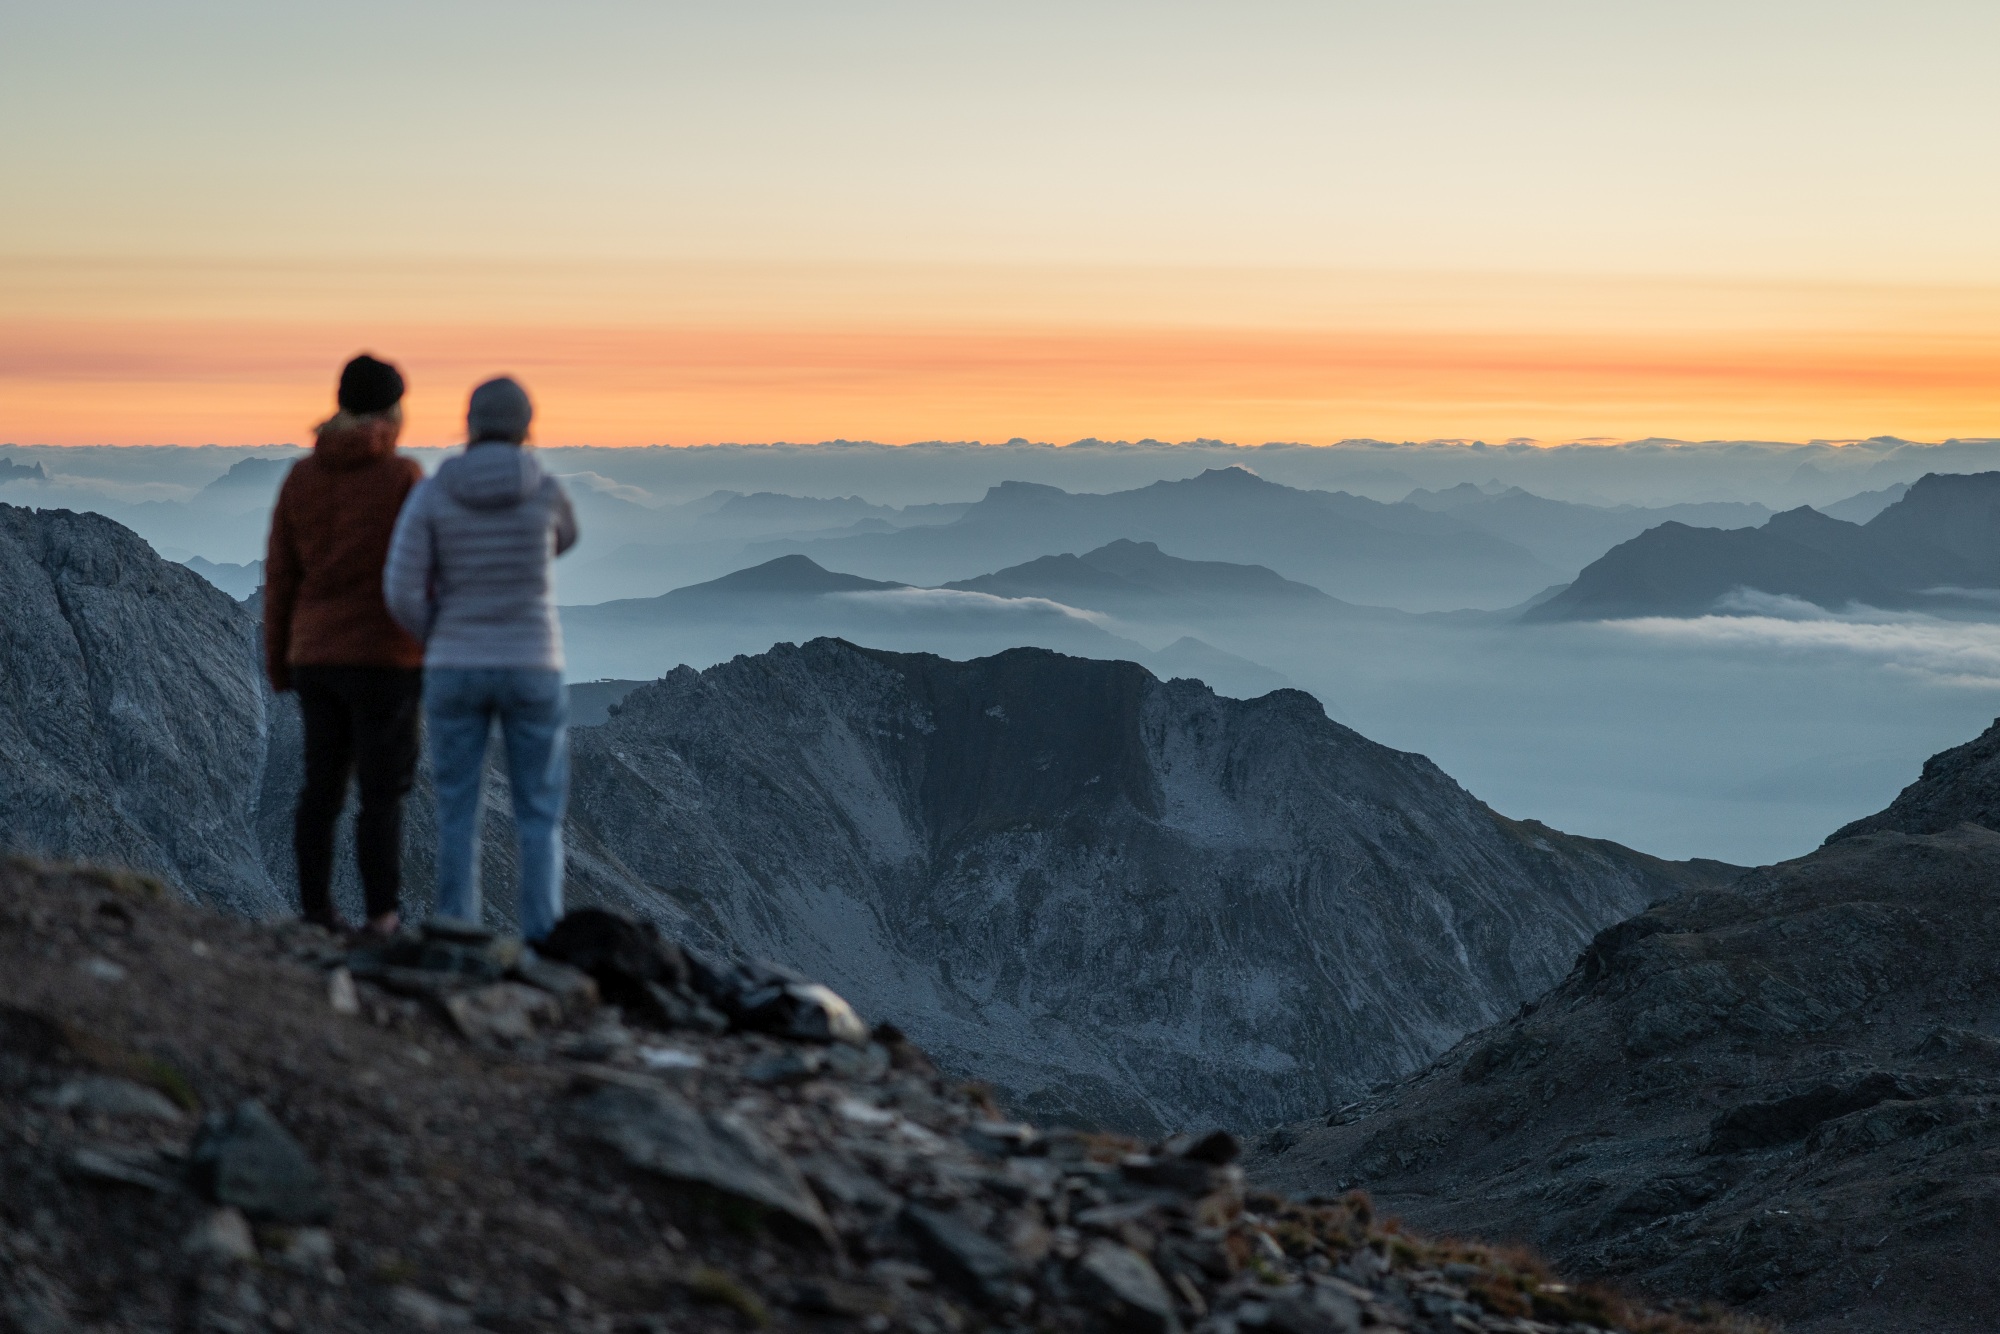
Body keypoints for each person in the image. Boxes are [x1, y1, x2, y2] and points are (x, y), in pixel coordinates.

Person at [383, 376, 578, 941]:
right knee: (538, 814)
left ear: (469, 425)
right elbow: (565, 538)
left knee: (457, 807)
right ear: (525, 427)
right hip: (533, 662)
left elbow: (400, 589)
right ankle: (542, 938)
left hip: (455, 665)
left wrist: (440, 633)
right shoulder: (543, 488)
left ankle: (458, 934)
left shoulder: (434, 493)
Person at [264, 353, 425, 936]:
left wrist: (280, 660)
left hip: (316, 657)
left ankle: (314, 912)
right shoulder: (402, 478)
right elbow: (425, 571)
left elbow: (282, 574)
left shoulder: (302, 478)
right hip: (385, 656)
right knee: (382, 792)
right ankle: (382, 918)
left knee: (321, 787)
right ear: (391, 410)